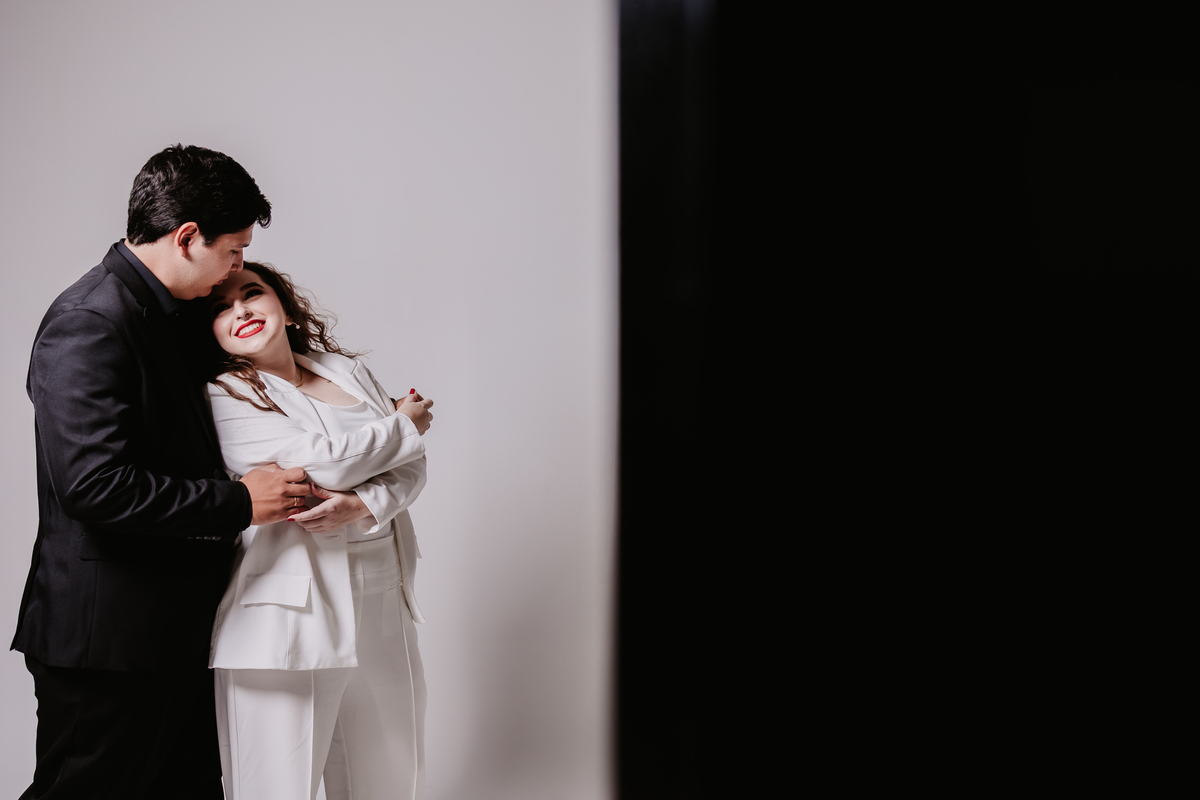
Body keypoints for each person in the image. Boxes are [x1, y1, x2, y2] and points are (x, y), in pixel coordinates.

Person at [12, 145, 313, 799]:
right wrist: (239, 503)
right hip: (110, 645)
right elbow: (93, 486)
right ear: (186, 237)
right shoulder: (88, 323)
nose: (237, 267)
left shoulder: (173, 313)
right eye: (233, 251)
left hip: (177, 633)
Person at [201, 261, 434, 800]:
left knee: (392, 775)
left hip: (383, 596)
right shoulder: (225, 394)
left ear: (283, 306)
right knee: (276, 786)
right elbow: (321, 464)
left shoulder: (345, 370)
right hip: (287, 612)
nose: (241, 310)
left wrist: (362, 503)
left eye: (252, 293)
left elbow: (412, 467)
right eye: (220, 308)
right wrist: (404, 425)